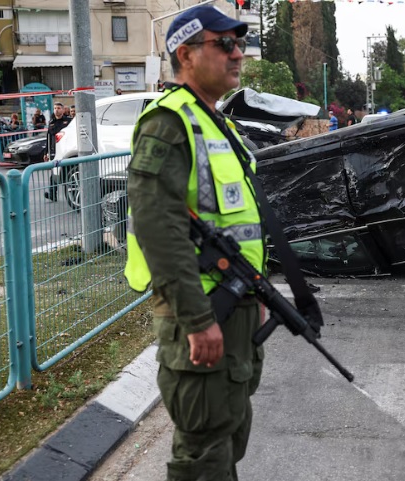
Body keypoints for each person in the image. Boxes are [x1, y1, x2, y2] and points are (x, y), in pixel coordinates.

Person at [124, 7, 265, 480]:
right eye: (223, 45)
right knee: (203, 454)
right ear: (185, 54)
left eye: (239, 45)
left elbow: (238, 221)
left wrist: (257, 293)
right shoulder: (168, 123)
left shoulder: (218, 123)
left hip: (236, 304)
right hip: (202, 310)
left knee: (229, 436)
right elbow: (158, 228)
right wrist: (198, 318)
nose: (237, 54)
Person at [43, 103, 73, 201]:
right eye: (55, 108)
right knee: (54, 173)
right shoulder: (52, 122)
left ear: (63, 110)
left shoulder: (68, 121)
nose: (56, 110)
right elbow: (48, 138)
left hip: (65, 150)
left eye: (59, 108)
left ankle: (72, 192)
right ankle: (53, 194)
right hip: (54, 151)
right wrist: (45, 152)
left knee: (68, 171)